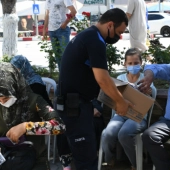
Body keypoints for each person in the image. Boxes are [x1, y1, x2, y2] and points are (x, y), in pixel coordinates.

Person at [57, 8, 133, 169]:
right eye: (119, 32)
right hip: (75, 107)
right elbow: (103, 79)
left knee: (84, 156)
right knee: (87, 160)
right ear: (110, 25)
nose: (119, 37)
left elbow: (96, 77)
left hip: (74, 105)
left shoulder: (87, 36)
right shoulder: (95, 40)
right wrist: (120, 101)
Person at [0, 62, 66, 169]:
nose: (3, 102)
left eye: (6, 98)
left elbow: (59, 126)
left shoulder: (34, 100)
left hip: (34, 159)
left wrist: (26, 127)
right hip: (5, 158)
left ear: (15, 87)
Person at [102, 48, 155, 170]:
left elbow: (151, 98)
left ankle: (136, 163)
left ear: (141, 63)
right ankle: (109, 160)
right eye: (130, 63)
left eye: (136, 63)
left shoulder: (146, 79)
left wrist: (149, 92)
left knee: (124, 133)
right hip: (120, 114)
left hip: (138, 117)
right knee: (107, 134)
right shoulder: (120, 78)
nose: (133, 66)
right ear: (125, 64)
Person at [43, 0, 77, 72]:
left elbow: (73, 11)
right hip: (51, 31)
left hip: (62, 30)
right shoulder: (48, 1)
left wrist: (65, 23)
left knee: (65, 56)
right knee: (58, 57)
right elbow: (47, 14)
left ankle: (69, 77)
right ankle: (62, 78)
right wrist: (44, 28)